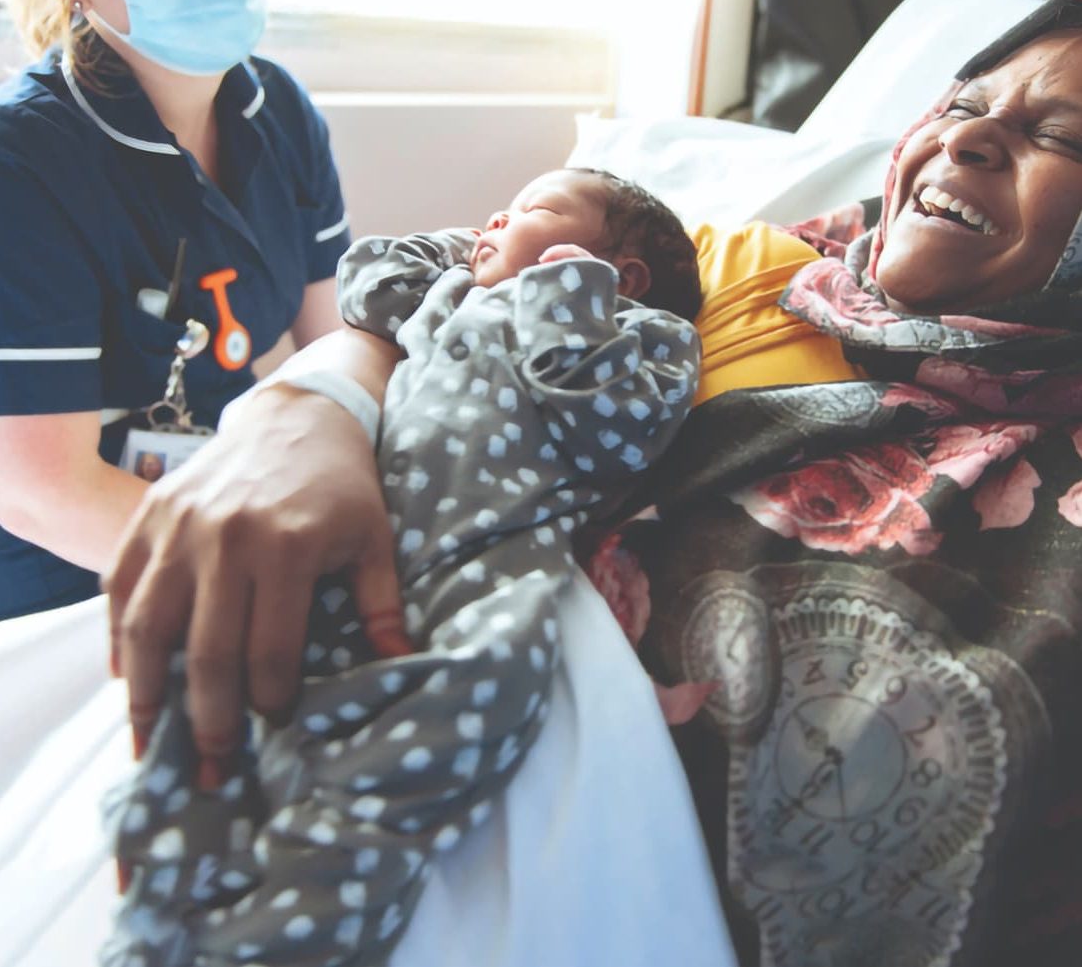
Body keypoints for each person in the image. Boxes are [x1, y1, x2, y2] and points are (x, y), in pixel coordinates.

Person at [106, 0, 1082, 966]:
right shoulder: (759, 263)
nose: (968, 140)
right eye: (960, 104)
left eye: (1062, 135)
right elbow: (453, 282)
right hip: (367, 656)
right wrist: (311, 404)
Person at [105, 167, 703, 966]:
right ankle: (161, 911)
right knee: (224, 700)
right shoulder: (447, 293)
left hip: (486, 557)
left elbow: (617, 429)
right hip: (359, 538)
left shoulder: (643, 336)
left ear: (620, 275)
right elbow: (367, 279)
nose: (497, 213)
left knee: (452, 718)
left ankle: (292, 929)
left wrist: (568, 290)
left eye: (535, 209)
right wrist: (468, 250)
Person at [0, 0, 380, 632]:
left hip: (216, 481)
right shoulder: (5, 163)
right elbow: (41, 492)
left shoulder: (276, 111)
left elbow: (338, 341)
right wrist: (274, 570)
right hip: (55, 564)